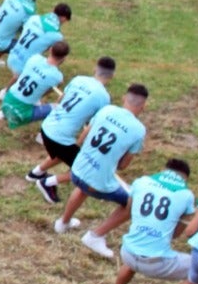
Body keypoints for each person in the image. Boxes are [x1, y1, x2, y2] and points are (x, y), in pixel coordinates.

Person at [51, 84, 150, 260]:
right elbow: (123, 165)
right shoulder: (138, 130)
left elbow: (81, 139)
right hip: (97, 183)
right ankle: (95, 236)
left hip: (77, 171)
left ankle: (63, 222)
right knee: (133, 204)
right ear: (143, 106)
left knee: (82, 187)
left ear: (124, 99)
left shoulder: (106, 110)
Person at [27, 55, 116, 203]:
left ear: (95, 69)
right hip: (59, 138)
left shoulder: (79, 79)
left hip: (47, 126)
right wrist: (80, 143)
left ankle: (36, 173)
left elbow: (61, 99)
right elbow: (94, 125)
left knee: (65, 153)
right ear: (112, 75)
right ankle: (47, 183)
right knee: (85, 169)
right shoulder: (103, 97)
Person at [0, 40, 67, 130]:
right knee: (57, 108)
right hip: (22, 113)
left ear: (50, 50)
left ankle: (3, 113)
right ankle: (42, 136)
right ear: (64, 58)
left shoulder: (35, 58)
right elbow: (56, 84)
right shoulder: (57, 77)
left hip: (7, 99)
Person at [7, 2, 71, 75]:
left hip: (11, 56)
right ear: (63, 18)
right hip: (24, 67)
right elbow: (54, 53)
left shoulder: (34, 18)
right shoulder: (57, 36)